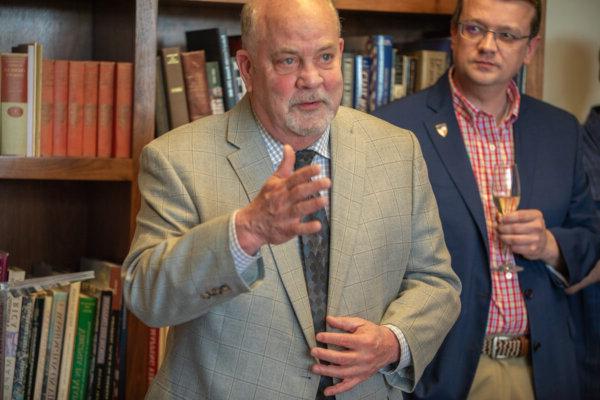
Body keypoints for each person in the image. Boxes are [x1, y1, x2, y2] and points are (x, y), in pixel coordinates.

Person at [122, 0, 461, 399]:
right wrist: (245, 232)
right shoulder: (177, 158)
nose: (311, 79)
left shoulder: (397, 150)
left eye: (325, 57)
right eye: (287, 61)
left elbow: (436, 282)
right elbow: (146, 296)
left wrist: (392, 342)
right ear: (247, 68)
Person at [374, 0, 600, 398]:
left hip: (547, 371)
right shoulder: (393, 127)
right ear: (454, 31)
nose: (488, 46)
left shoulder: (561, 129)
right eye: (475, 29)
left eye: (508, 35)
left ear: (530, 48)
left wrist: (550, 246)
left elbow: (591, 236)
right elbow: (375, 255)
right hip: (443, 373)